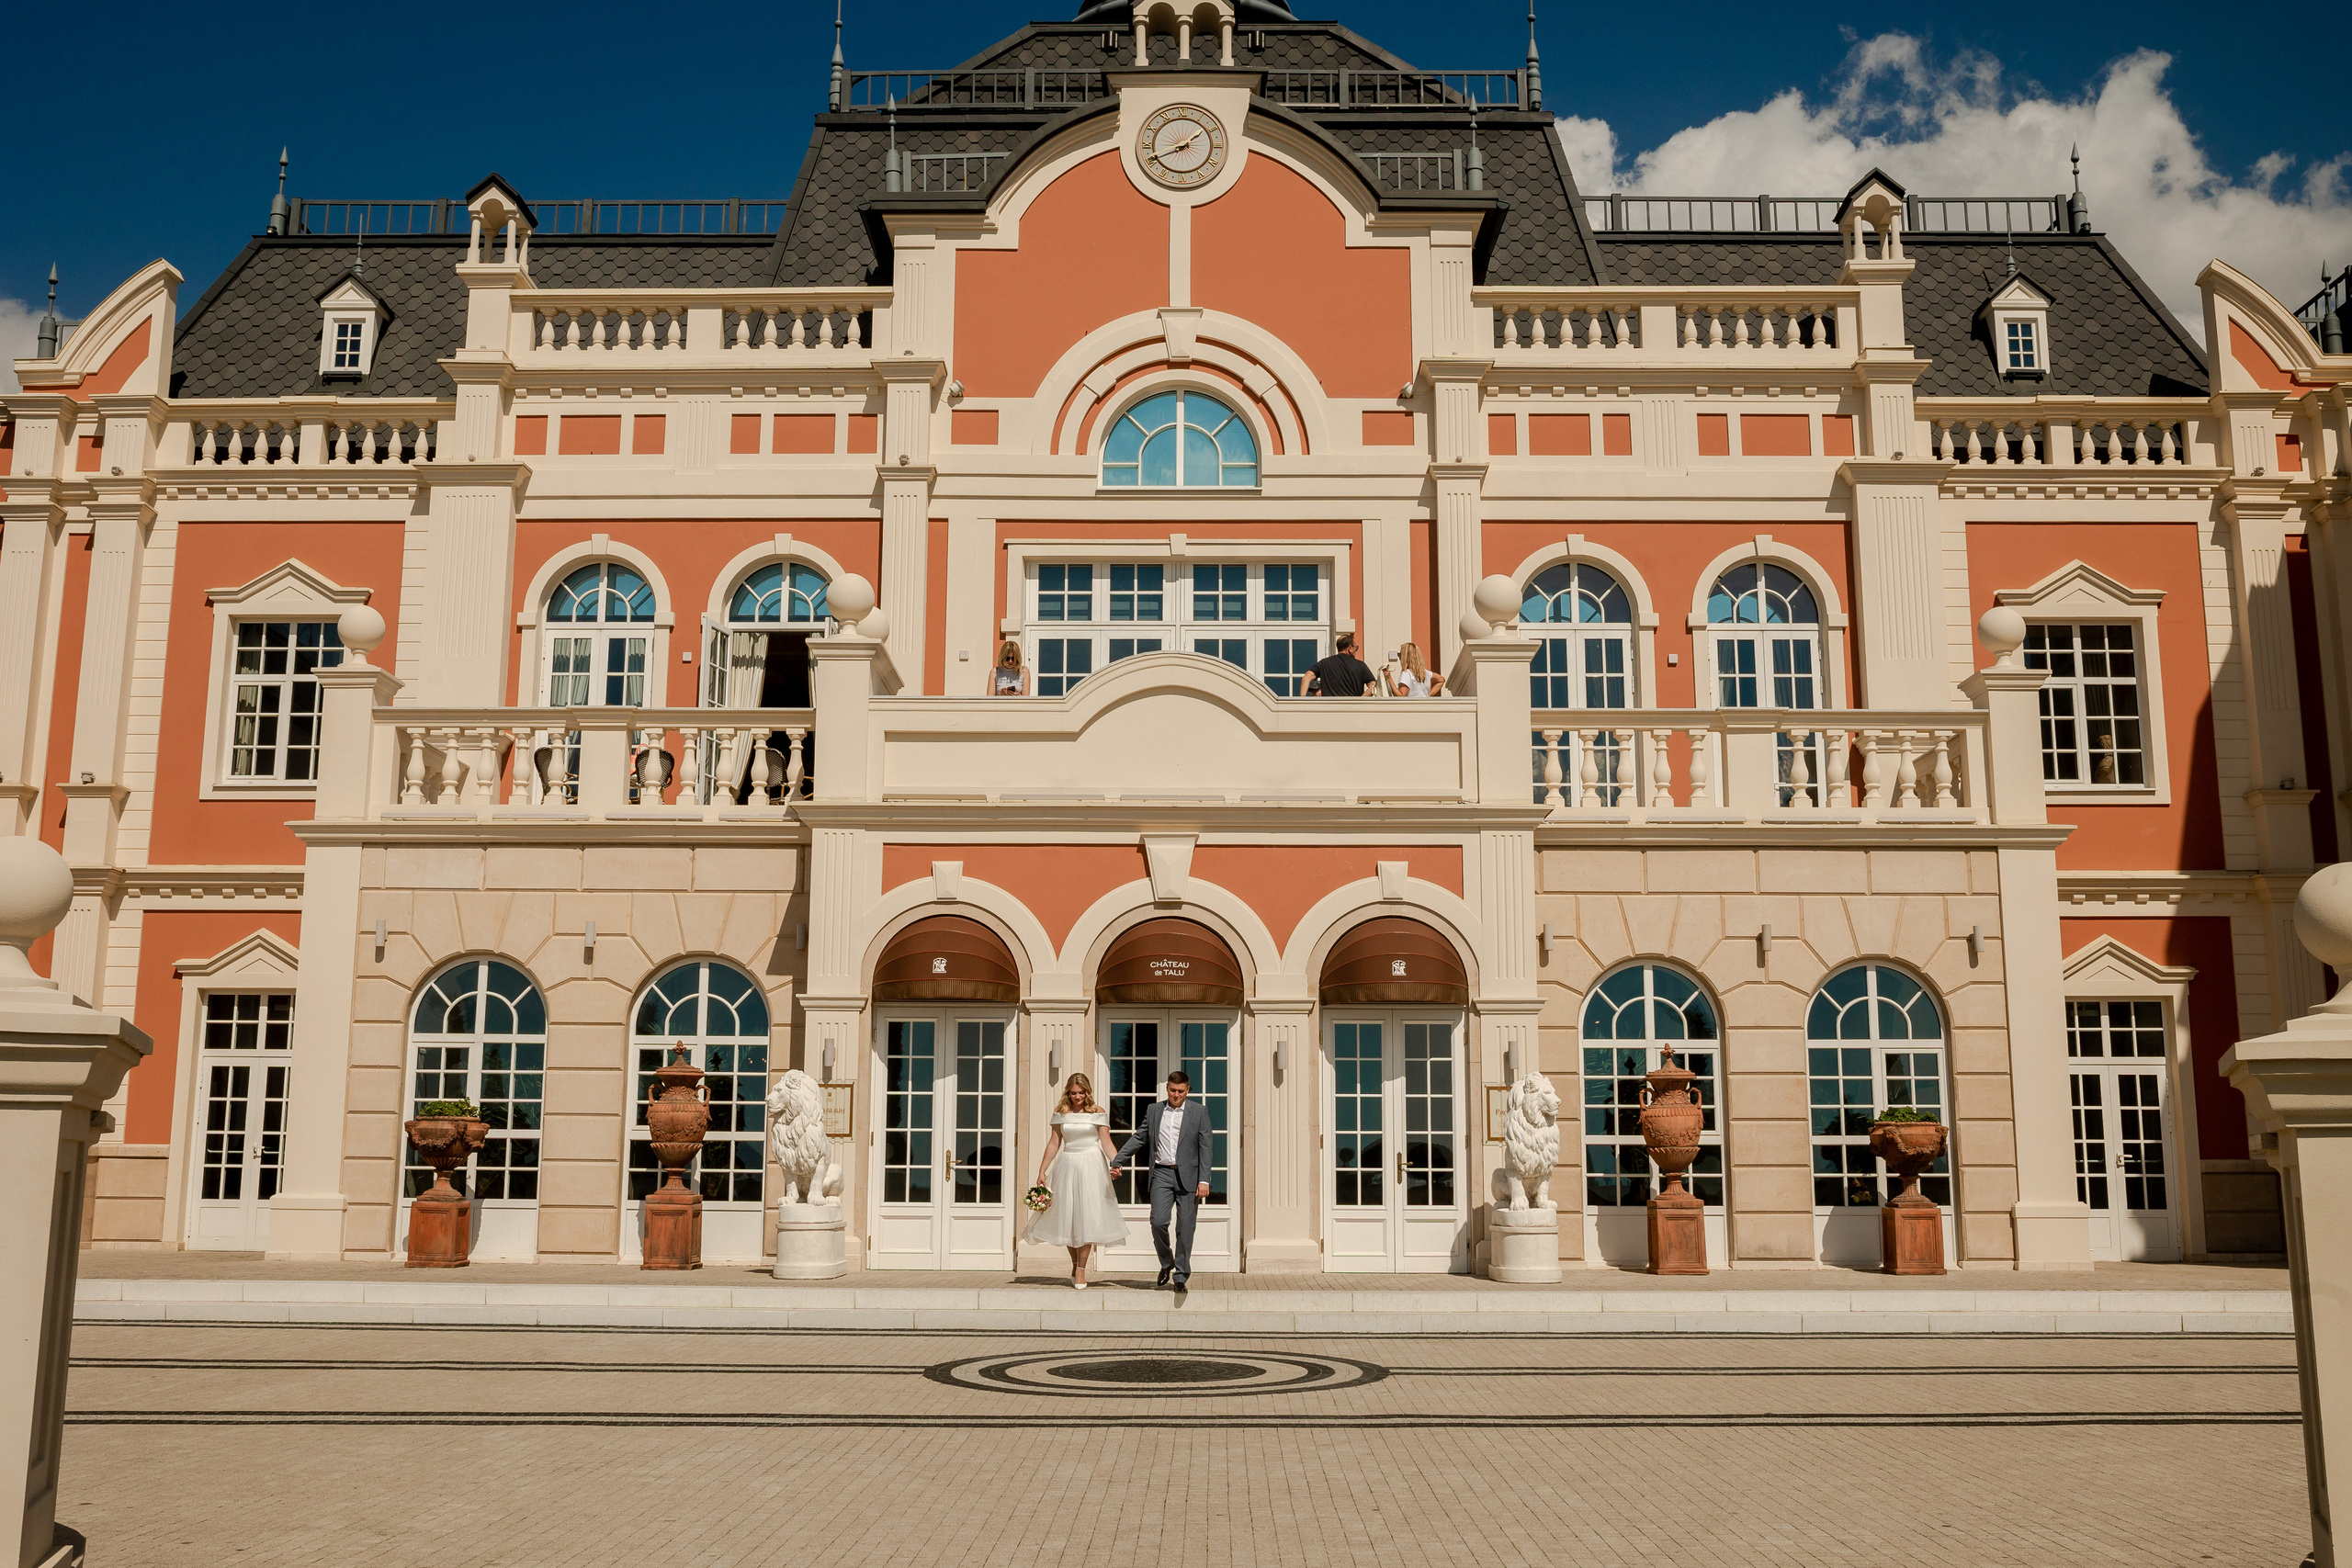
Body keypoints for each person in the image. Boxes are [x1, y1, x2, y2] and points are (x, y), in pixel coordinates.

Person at [1109, 1068, 1215, 1292]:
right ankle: (1167, 1263)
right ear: (1167, 1089)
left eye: (1181, 1091)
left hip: (1189, 1176)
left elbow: (1206, 1147)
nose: (1176, 1095)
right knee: (1158, 1222)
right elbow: (1140, 1137)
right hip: (1162, 1174)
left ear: (1188, 1091)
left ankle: (1181, 1275)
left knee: (1186, 1227)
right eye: (1172, 1090)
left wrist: (1204, 1179)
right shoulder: (1155, 1110)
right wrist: (1118, 1160)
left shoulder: (1199, 1112)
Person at [1028, 1073, 1126, 1287]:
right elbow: (1054, 1142)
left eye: (1081, 1093)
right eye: (1073, 1093)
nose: (1078, 1097)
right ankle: (1075, 1264)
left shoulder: (1098, 1112)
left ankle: (1081, 1270)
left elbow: (1106, 1141)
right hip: (1067, 1165)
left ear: (1087, 1092)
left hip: (1092, 1165)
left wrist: (1116, 1163)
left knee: (1088, 1218)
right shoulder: (1060, 1112)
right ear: (1068, 1093)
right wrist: (1042, 1170)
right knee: (1068, 1219)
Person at [1304, 631, 1376, 697]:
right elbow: (1373, 686)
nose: (1356, 650)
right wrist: (1360, 700)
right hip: (1352, 709)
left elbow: (1307, 677)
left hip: (1330, 709)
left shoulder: (1324, 663)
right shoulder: (1360, 665)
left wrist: (1301, 702)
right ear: (1350, 648)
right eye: (1356, 647)